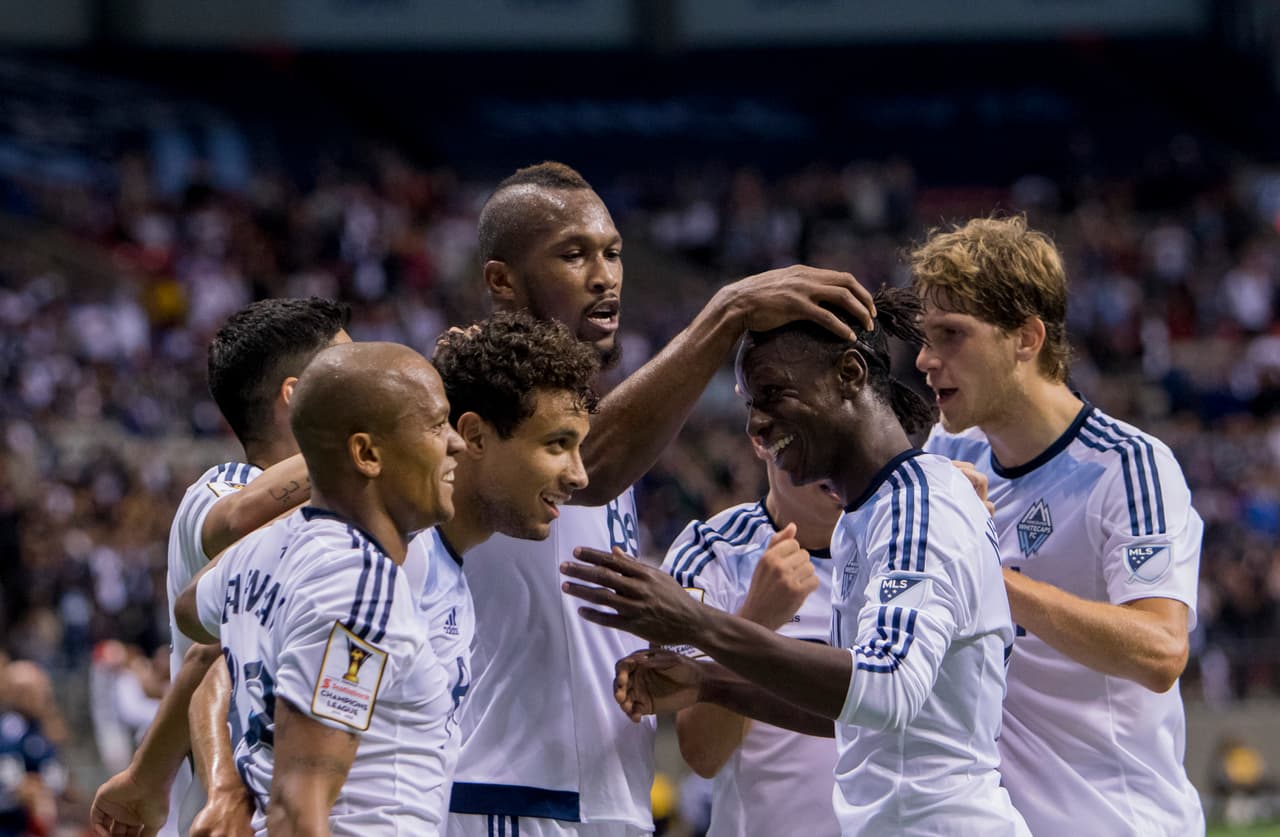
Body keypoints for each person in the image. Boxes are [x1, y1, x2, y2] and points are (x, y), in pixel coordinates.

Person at [449, 161, 875, 837]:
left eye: (613, 252)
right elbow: (597, 466)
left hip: (606, 800)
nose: (604, 274)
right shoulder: (478, 408)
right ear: (501, 280)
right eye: (572, 253)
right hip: (514, 797)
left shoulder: (599, 422)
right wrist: (728, 311)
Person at [561, 288, 1030, 836]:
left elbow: (885, 690)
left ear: (850, 375)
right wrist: (710, 683)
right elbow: (854, 717)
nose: (757, 426)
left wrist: (699, 624)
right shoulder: (866, 517)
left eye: (774, 394)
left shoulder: (919, 504)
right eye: (750, 404)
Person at [913, 215, 1204, 835]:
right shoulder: (947, 455)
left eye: (951, 335)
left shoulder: (1128, 467)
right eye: (924, 335)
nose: (925, 359)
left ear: (1026, 338)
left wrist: (990, 579)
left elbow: (1162, 650)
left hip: (1116, 820)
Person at [178, 341, 464, 835]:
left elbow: (190, 610)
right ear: (367, 453)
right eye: (438, 425)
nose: (456, 443)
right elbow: (297, 806)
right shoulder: (359, 582)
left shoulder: (260, 552)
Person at [92, 298, 351, 837]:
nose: (370, 386)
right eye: (352, 373)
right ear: (297, 395)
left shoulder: (360, 507)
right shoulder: (217, 489)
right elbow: (214, 657)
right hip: (237, 815)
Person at [662, 455, 842, 837]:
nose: (837, 452)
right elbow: (702, 752)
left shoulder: (903, 541)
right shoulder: (711, 552)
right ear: (762, 438)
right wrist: (756, 622)